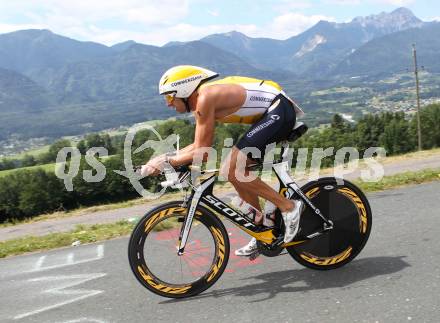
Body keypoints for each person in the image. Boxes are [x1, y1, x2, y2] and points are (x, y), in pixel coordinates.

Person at [142, 65, 305, 257]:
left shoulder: (205, 98)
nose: (168, 103)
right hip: (273, 111)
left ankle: (289, 207)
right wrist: (165, 158)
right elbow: (197, 145)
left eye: (169, 96)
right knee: (236, 171)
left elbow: (202, 153)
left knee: (231, 169)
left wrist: (167, 162)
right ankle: (261, 230)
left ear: (184, 90)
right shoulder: (203, 101)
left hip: (278, 110)